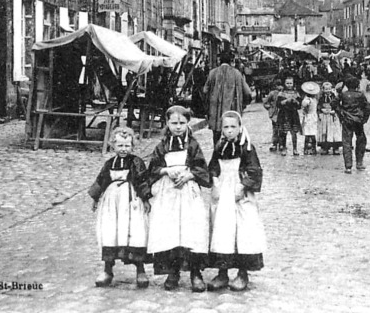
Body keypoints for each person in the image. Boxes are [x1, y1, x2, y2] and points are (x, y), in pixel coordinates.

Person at [147, 106, 211, 291]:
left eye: (182, 123)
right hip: (169, 192)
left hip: (188, 191)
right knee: (171, 230)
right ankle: (172, 271)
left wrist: (190, 175)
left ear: (187, 123)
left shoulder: (192, 145)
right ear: (167, 123)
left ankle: (195, 272)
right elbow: (152, 169)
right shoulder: (162, 146)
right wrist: (166, 170)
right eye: (174, 123)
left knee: (192, 230)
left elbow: (202, 168)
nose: (178, 127)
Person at [207, 111, 266, 292]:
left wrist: (244, 186)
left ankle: (242, 273)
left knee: (243, 231)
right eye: (226, 127)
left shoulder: (247, 148)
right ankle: (222, 273)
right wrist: (215, 181)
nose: (229, 131)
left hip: (240, 193)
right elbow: (213, 167)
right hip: (224, 192)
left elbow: (255, 170)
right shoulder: (220, 147)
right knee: (222, 231)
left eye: (233, 127)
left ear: (240, 128)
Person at [90, 127, 152, 288]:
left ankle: (140, 270)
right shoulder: (109, 164)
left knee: (134, 232)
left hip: (131, 202)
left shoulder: (136, 162)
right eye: (120, 146)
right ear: (113, 146)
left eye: (127, 146)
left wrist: (145, 198)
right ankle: (107, 269)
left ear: (132, 146)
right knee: (111, 232)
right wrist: (96, 197)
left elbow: (142, 180)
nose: (124, 149)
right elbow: (101, 180)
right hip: (112, 203)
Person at [203, 52, 252, 145]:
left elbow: (205, 90)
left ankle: (217, 155)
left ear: (219, 61)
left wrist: (208, 106)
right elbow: (248, 92)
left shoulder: (212, 73)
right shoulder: (237, 73)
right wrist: (243, 105)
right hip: (233, 110)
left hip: (215, 112)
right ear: (231, 61)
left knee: (217, 136)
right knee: (232, 133)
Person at [334, 76, 370, 174]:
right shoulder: (360, 95)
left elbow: (333, 103)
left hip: (346, 120)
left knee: (346, 142)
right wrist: (364, 119)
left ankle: (348, 166)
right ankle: (359, 163)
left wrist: (340, 113)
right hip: (358, 120)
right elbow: (367, 108)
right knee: (361, 140)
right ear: (357, 85)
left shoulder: (343, 95)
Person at [276, 76, 302, 156]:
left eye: (291, 83)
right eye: (287, 83)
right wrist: (286, 101)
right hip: (284, 114)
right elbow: (278, 104)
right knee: (284, 132)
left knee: (294, 132)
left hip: (293, 114)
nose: (289, 85)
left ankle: (295, 149)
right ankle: (283, 148)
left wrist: (295, 101)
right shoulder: (281, 93)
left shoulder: (296, 93)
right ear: (284, 83)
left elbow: (299, 106)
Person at [317, 81, 343, 155]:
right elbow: (319, 105)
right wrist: (322, 110)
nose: (328, 91)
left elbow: (337, 105)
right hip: (325, 116)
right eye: (326, 89)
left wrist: (335, 111)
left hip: (332, 116)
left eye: (329, 89)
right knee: (325, 131)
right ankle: (325, 147)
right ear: (323, 90)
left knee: (334, 132)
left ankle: (336, 147)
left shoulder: (334, 97)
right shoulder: (321, 98)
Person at [262, 80, 283, 152]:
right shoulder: (272, 93)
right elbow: (265, 102)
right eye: (278, 85)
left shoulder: (284, 93)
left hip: (282, 113)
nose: (280, 87)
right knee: (275, 129)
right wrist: (270, 108)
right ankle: (274, 143)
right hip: (275, 114)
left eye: (281, 85)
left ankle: (281, 144)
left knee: (282, 129)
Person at [300, 82, 320, 155]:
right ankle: (307, 147)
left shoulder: (314, 99)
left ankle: (313, 147)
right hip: (309, 116)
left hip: (313, 116)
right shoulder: (307, 99)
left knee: (313, 132)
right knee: (308, 133)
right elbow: (303, 105)